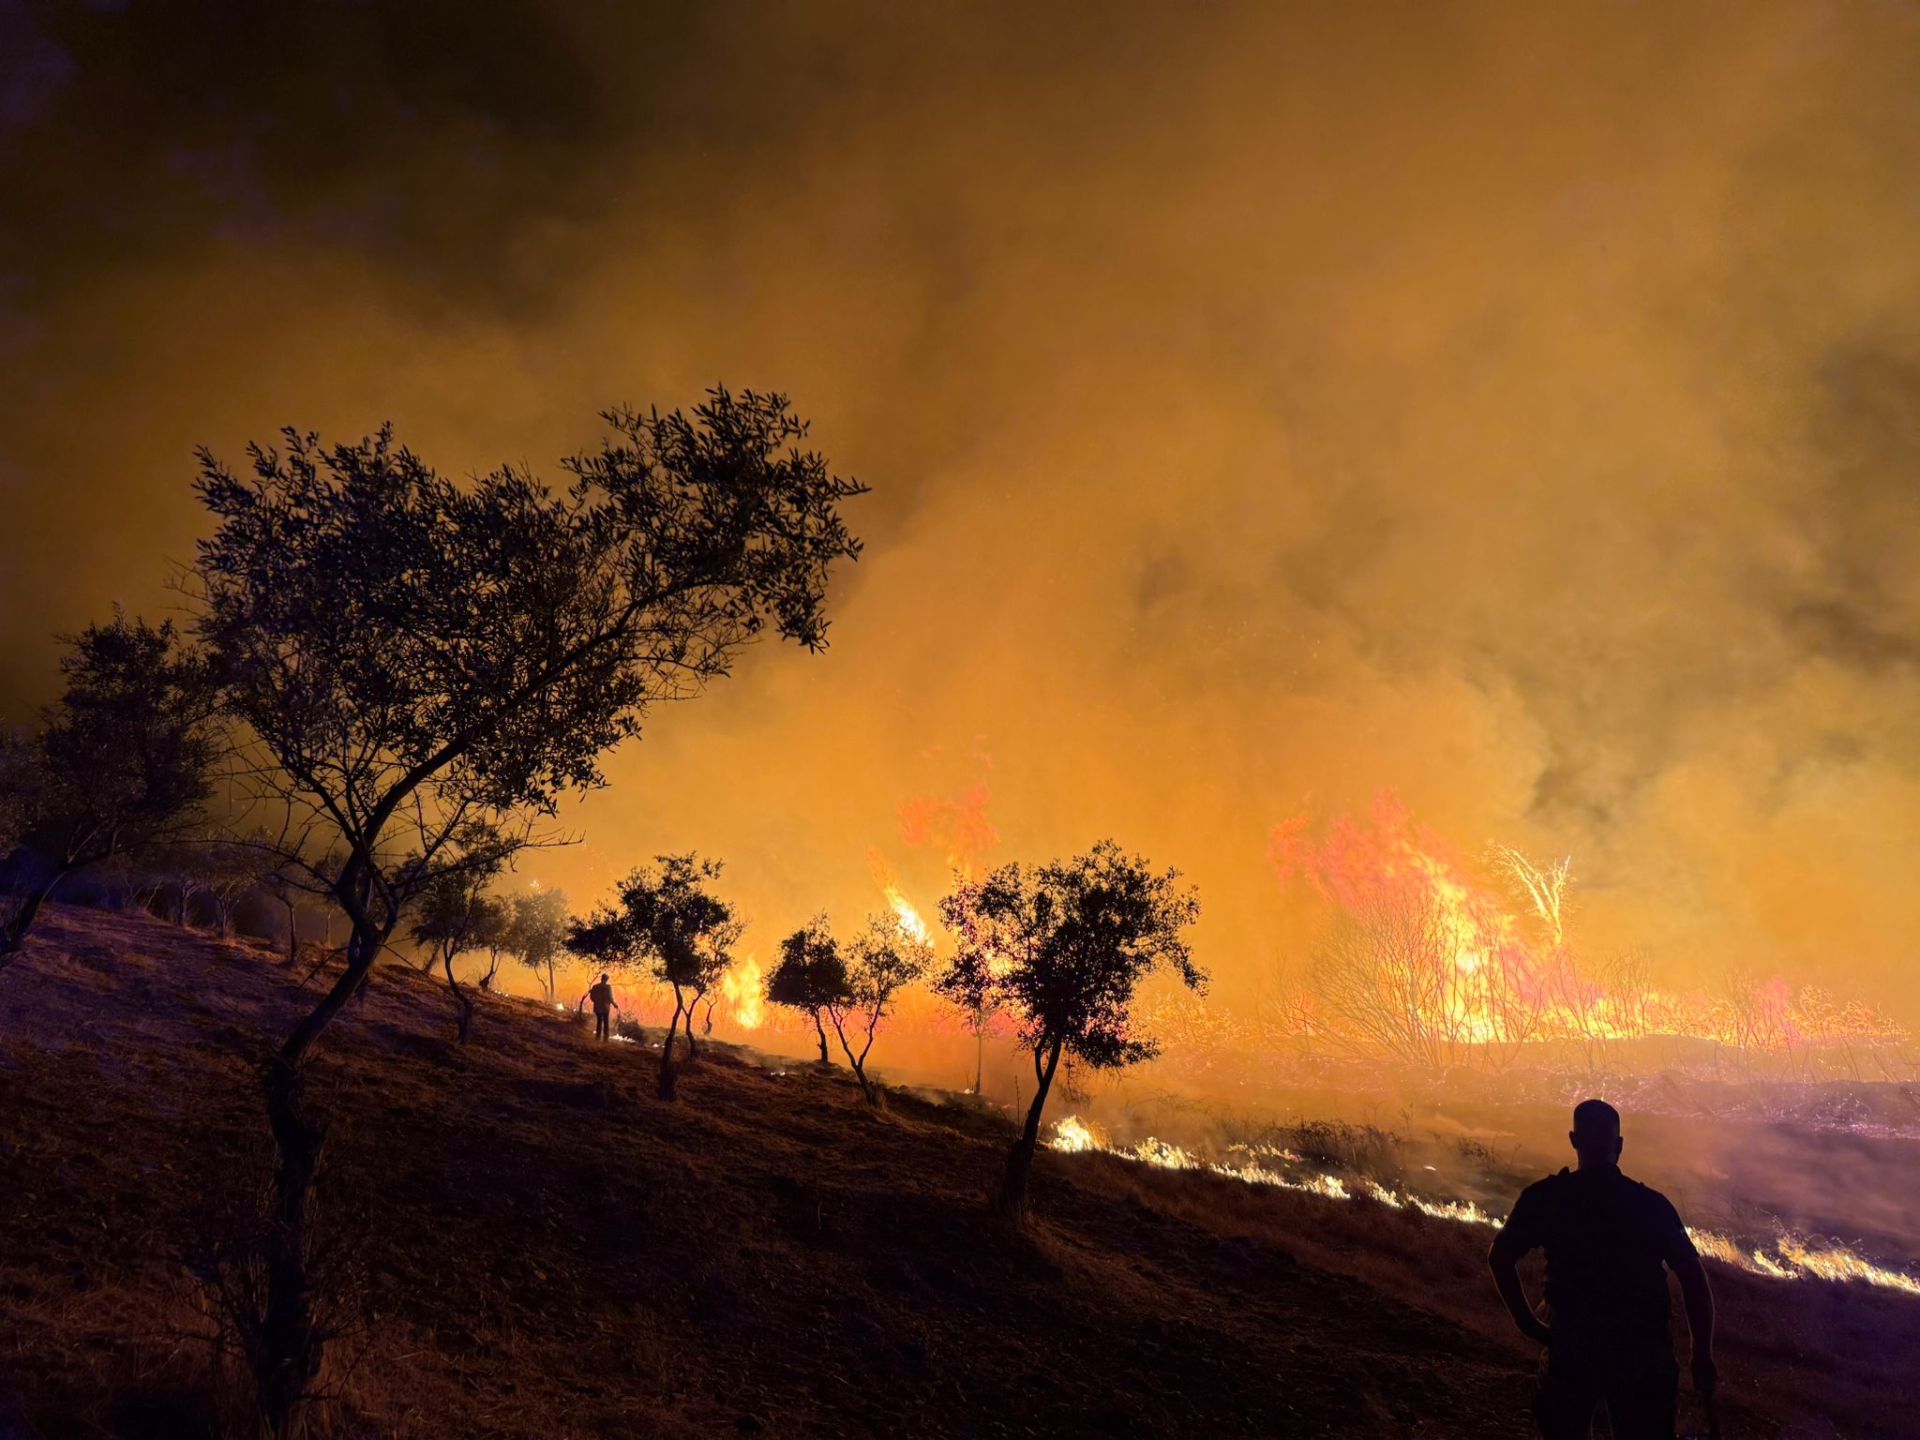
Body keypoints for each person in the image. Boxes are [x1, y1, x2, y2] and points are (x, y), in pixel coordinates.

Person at [1488, 1099, 1717, 1440]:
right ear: (1619, 1145)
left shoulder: (1548, 1197)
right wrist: (1701, 1355)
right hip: (1642, 1351)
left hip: (1572, 1346)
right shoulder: (1651, 1205)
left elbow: (1500, 1257)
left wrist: (1528, 1324)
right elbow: (1693, 1278)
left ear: (1574, 1140)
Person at [577, 972, 619, 1041]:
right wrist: (614, 1004)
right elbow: (610, 997)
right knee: (606, 1022)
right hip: (605, 1008)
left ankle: (598, 1037)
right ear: (606, 979)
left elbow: (592, 997)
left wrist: (596, 1001)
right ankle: (605, 1039)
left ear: (601, 979)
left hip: (597, 1007)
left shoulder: (595, 986)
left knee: (599, 1022)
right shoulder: (608, 987)